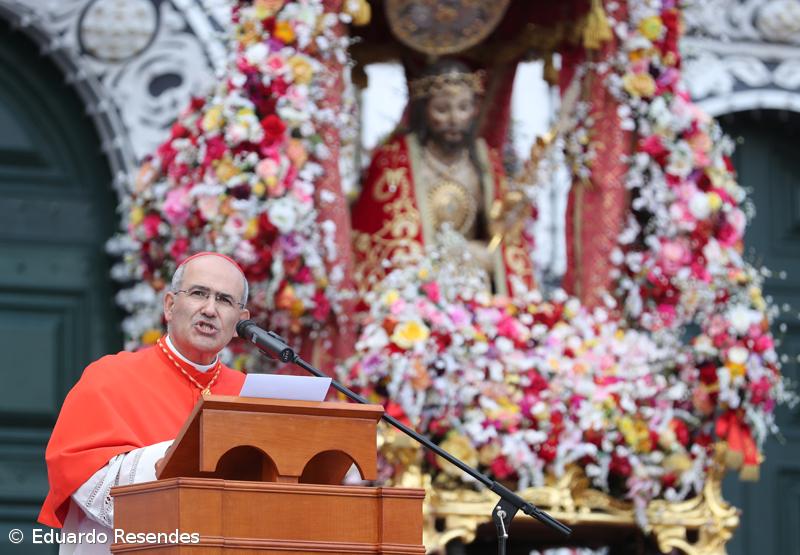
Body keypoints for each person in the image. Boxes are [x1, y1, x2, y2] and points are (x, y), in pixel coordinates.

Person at [38, 252, 250, 553]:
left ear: (241, 321)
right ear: (170, 305)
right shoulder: (109, 377)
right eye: (198, 293)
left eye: (225, 300)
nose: (210, 309)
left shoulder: (248, 394)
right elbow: (81, 479)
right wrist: (180, 457)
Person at [350, 58, 536, 296]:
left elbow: (497, 232)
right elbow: (378, 235)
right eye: (442, 108)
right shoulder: (394, 161)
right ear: (424, 110)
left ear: (475, 109)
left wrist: (507, 219)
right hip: (416, 282)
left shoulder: (485, 159)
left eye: (463, 107)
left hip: (475, 282)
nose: (454, 118)